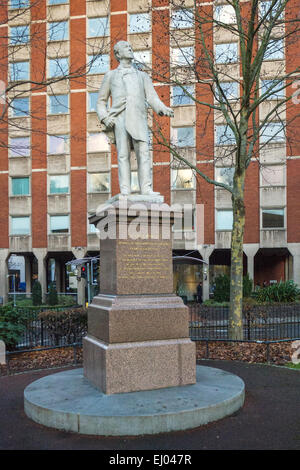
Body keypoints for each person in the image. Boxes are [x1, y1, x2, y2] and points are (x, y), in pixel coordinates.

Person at [97, 40, 174, 196]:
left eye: (130, 46)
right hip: (119, 119)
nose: (130, 48)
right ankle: (125, 189)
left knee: (144, 154)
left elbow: (152, 97)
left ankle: (146, 188)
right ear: (118, 54)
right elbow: (101, 101)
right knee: (123, 155)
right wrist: (105, 118)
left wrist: (163, 108)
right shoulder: (111, 76)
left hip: (138, 119)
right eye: (126, 47)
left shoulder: (142, 76)